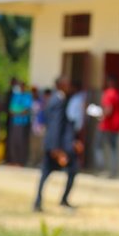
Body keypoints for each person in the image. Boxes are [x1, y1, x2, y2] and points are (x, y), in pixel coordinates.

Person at [32, 76, 78, 212]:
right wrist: (56, 150)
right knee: (71, 169)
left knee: (46, 173)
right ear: (61, 85)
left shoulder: (54, 99)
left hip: (54, 144)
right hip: (56, 146)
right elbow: (56, 126)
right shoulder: (58, 101)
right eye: (67, 84)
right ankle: (57, 200)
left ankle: (38, 202)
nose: (69, 87)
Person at [97, 76, 119, 178]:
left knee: (98, 147)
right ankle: (113, 171)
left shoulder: (109, 93)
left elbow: (108, 110)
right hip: (116, 126)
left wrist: (100, 115)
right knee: (114, 149)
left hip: (106, 125)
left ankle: (101, 169)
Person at [6, 78, 32, 166]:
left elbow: (26, 110)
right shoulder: (15, 96)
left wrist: (17, 111)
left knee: (22, 142)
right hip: (15, 122)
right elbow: (11, 110)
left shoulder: (27, 96)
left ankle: (21, 161)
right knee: (13, 142)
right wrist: (18, 111)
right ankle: (14, 160)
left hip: (23, 123)